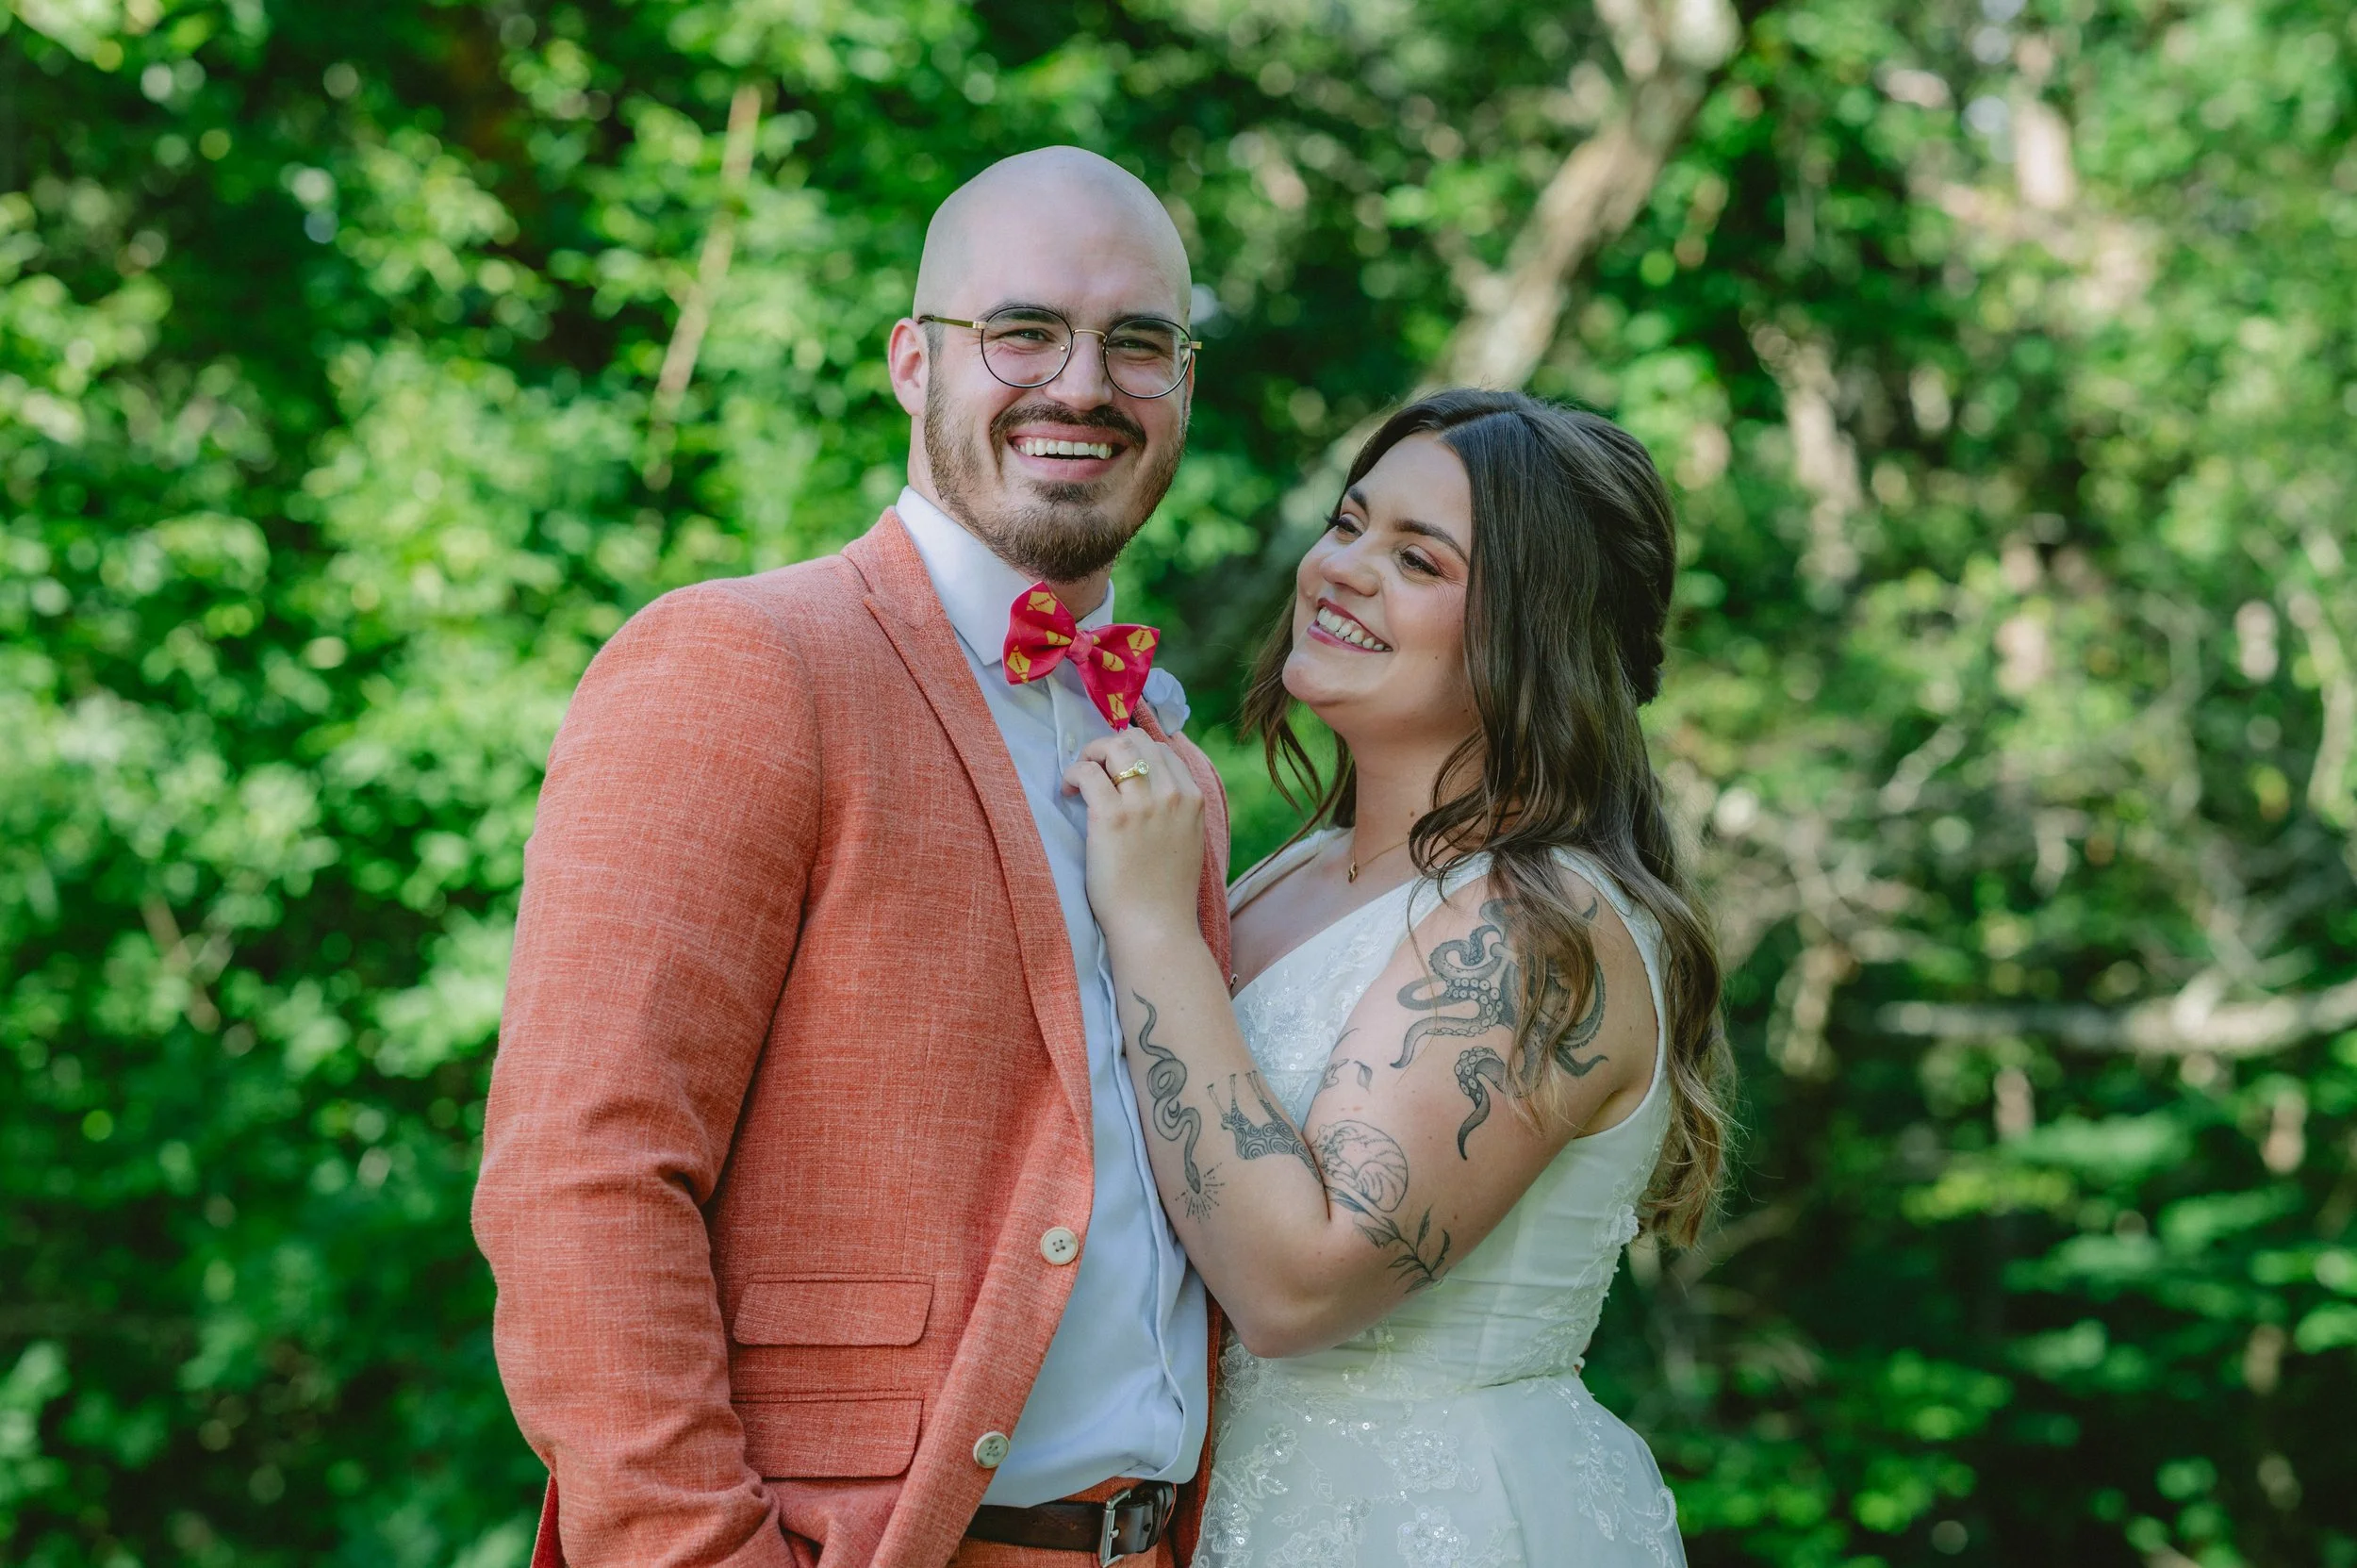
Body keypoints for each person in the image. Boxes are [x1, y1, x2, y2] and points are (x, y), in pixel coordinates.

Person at [473, 147, 1233, 1568]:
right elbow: (581, 1178)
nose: (1082, 384)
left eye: (1138, 343)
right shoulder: (745, 661)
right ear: (911, 361)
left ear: (1183, 384)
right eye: (1023, 331)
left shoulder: (1170, 759)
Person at [1063, 389, 1735, 1566]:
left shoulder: (1541, 930)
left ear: (1537, 633)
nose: (1342, 569)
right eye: (1348, 522)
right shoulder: (1301, 870)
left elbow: (1294, 1289)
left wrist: (1152, 925)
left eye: (1417, 558)